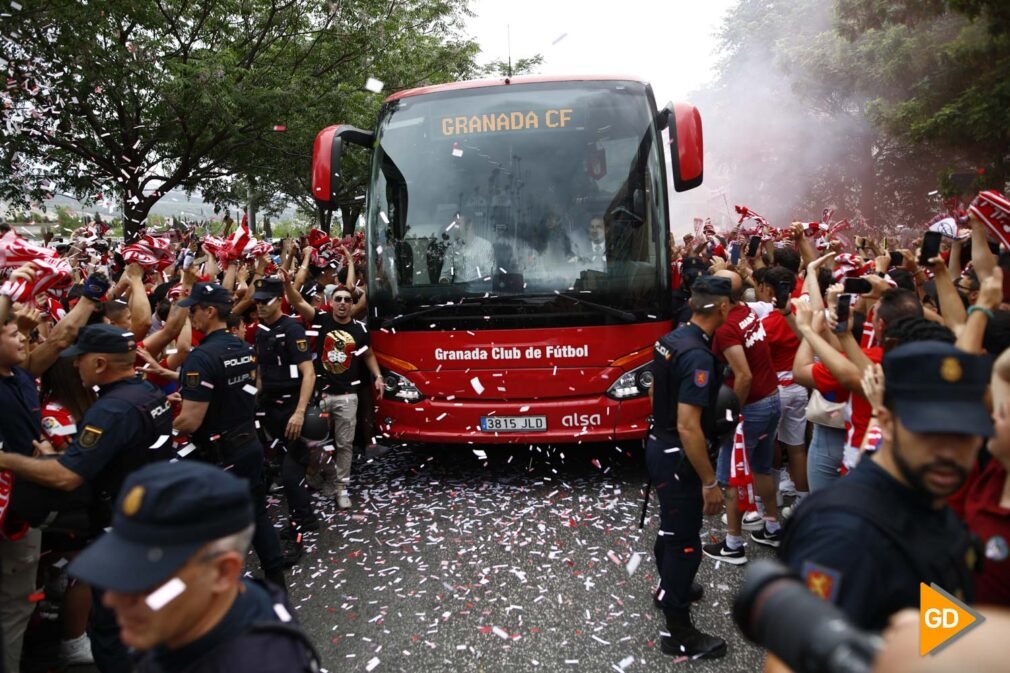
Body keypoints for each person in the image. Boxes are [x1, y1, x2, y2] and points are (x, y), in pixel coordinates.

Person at [767, 340, 991, 673]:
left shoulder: (930, 504)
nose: (948, 452)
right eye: (928, 432)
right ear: (885, 422)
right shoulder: (842, 534)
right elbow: (787, 661)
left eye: (964, 435)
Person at [0, 323, 176, 673]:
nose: (73, 366)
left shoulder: (109, 410)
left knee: (112, 633)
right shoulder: (147, 393)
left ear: (98, 364)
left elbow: (68, 477)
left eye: (77, 360)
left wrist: (6, 460)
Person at [68, 461, 320, 673]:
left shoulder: (254, 662)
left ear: (222, 573)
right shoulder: (218, 606)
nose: (112, 600)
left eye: (147, 584)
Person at [173, 283, 291, 587]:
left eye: (194, 309)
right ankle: (276, 581)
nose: (190, 315)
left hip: (220, 454)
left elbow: (190, 420)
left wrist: (157, 424)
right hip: (248, 443)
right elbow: (252, 388)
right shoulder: (242, 346)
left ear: (210, 311)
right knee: (256, 514)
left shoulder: (201, 359)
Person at [646, 275, 733, 659]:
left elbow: (653, 390)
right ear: (724, 308)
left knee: (671, 527)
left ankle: (668, 589)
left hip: (658, 445)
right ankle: (679, 633)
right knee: (685, 545)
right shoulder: (697, 355)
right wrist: (710, 481)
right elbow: (688, 425)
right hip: (679, 455)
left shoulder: (672, 338)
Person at [703, 270, 782, 562]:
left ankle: (733, 545)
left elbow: (743, 377)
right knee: (761, 468)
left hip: (751, 408)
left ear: (723, 299)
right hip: (771, 400)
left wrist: (731, 416)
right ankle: (771, 526)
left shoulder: (726, 329)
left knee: (730, 478)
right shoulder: (745, 310)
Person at [282, 279, 383, 509]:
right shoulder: (322, 319)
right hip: (321, 396)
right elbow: (297, 301)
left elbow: (368, 355)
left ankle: (340, 488)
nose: (343, 303)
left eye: (347, 300)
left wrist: (377, 376)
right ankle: (316, 474)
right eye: (338, 299)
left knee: (344, 445)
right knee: (312, 442)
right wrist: (288, 284)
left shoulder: (360, 329)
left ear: (351, 305)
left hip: (348, 396)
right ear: (331, 302)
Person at [252, 277, 317, 539]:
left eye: (264, 302)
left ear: (278, 301)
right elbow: (260, 371)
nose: (259, 307)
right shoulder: (260, 331)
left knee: (292, 471)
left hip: (292, 407)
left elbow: (308, 373)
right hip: (269, 407)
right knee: (281, 467)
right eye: (256, 302)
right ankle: (301, 517)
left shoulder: (292, 329)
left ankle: (304, 520)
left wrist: (300, 412)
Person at [440, 213, 495, 283]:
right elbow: (445, 275)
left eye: (458, 224)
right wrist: (444, 282)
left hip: (480, 291)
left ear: (469, 225)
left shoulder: (486, 247)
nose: (456, 227)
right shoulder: (452, 248)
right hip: (457, 292)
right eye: (455, 225)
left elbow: (490, 274)